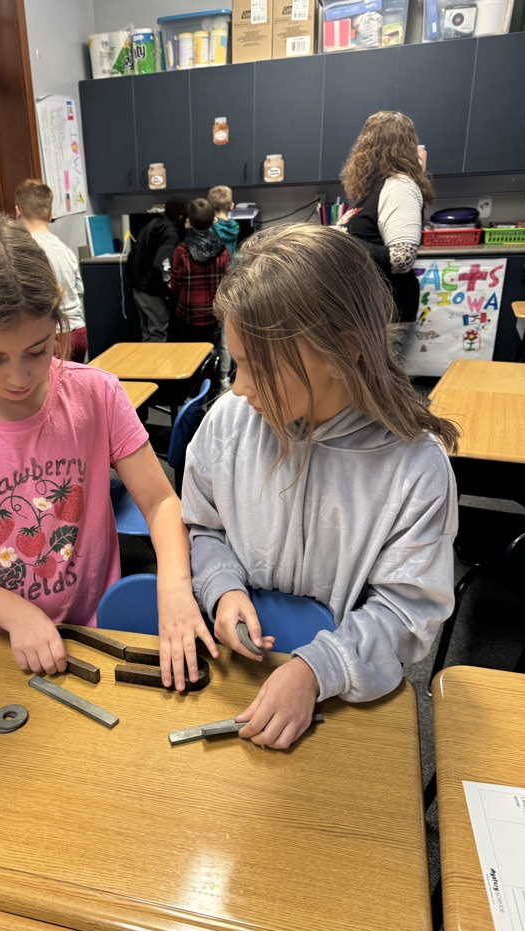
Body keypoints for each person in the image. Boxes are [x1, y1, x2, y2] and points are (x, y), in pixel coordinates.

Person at [0, 214, 216, 689]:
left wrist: (174, 585)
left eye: (38, 350)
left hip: (96, 622)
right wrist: (15, 613)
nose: (19, 377)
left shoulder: (95, 393)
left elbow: (161, 500)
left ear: (58, 318)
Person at [182, 223, 459, 750]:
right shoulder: (230, 422)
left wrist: (317, 670)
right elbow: (202, 525)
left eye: (258, 368)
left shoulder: (414, 468)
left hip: (343, 696)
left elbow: (407, 611)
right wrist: (223, 589)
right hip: (240, 675)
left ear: (341, 350)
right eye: (234, 363)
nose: (239, 389)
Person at [338, 111, 433, 360]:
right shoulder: (375, 191)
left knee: (378, 390)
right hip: (370, 312)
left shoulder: (400, 186)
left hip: (387, 313)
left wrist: (342, 240)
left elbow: (402, 259)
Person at [15, 179, 87, 364]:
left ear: (17, 212)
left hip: (47, 338)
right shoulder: (66, 250)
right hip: (77, 333)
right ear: (50, 215)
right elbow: (79, 291)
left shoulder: (21, 251)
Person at [169, 197, 230, 344]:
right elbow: (228, 281)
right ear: (213, 220)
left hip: (188, 313)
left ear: (189, 220)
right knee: (210, 351)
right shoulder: (223, 250)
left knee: (189, 355)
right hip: (213, 313)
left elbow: (175, 284)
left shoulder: (182, 250)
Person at [128, 196, 188, 343]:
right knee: (158, 332)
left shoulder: (152, 224)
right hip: (152, 291)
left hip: (138, 286)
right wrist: (167, 291)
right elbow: (162, 265)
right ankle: (156, 366)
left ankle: (145, 365)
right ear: (181, 216)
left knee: (147, 332)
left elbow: (133, 254)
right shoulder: (171, 235)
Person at [207, 185, 239, 389]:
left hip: (211, 284)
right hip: (229, 283)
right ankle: (225, 379)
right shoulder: (235, 227)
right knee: (228, 337)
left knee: (210, 335)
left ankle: (207, 377)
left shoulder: (210, 229)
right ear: (231, 206)